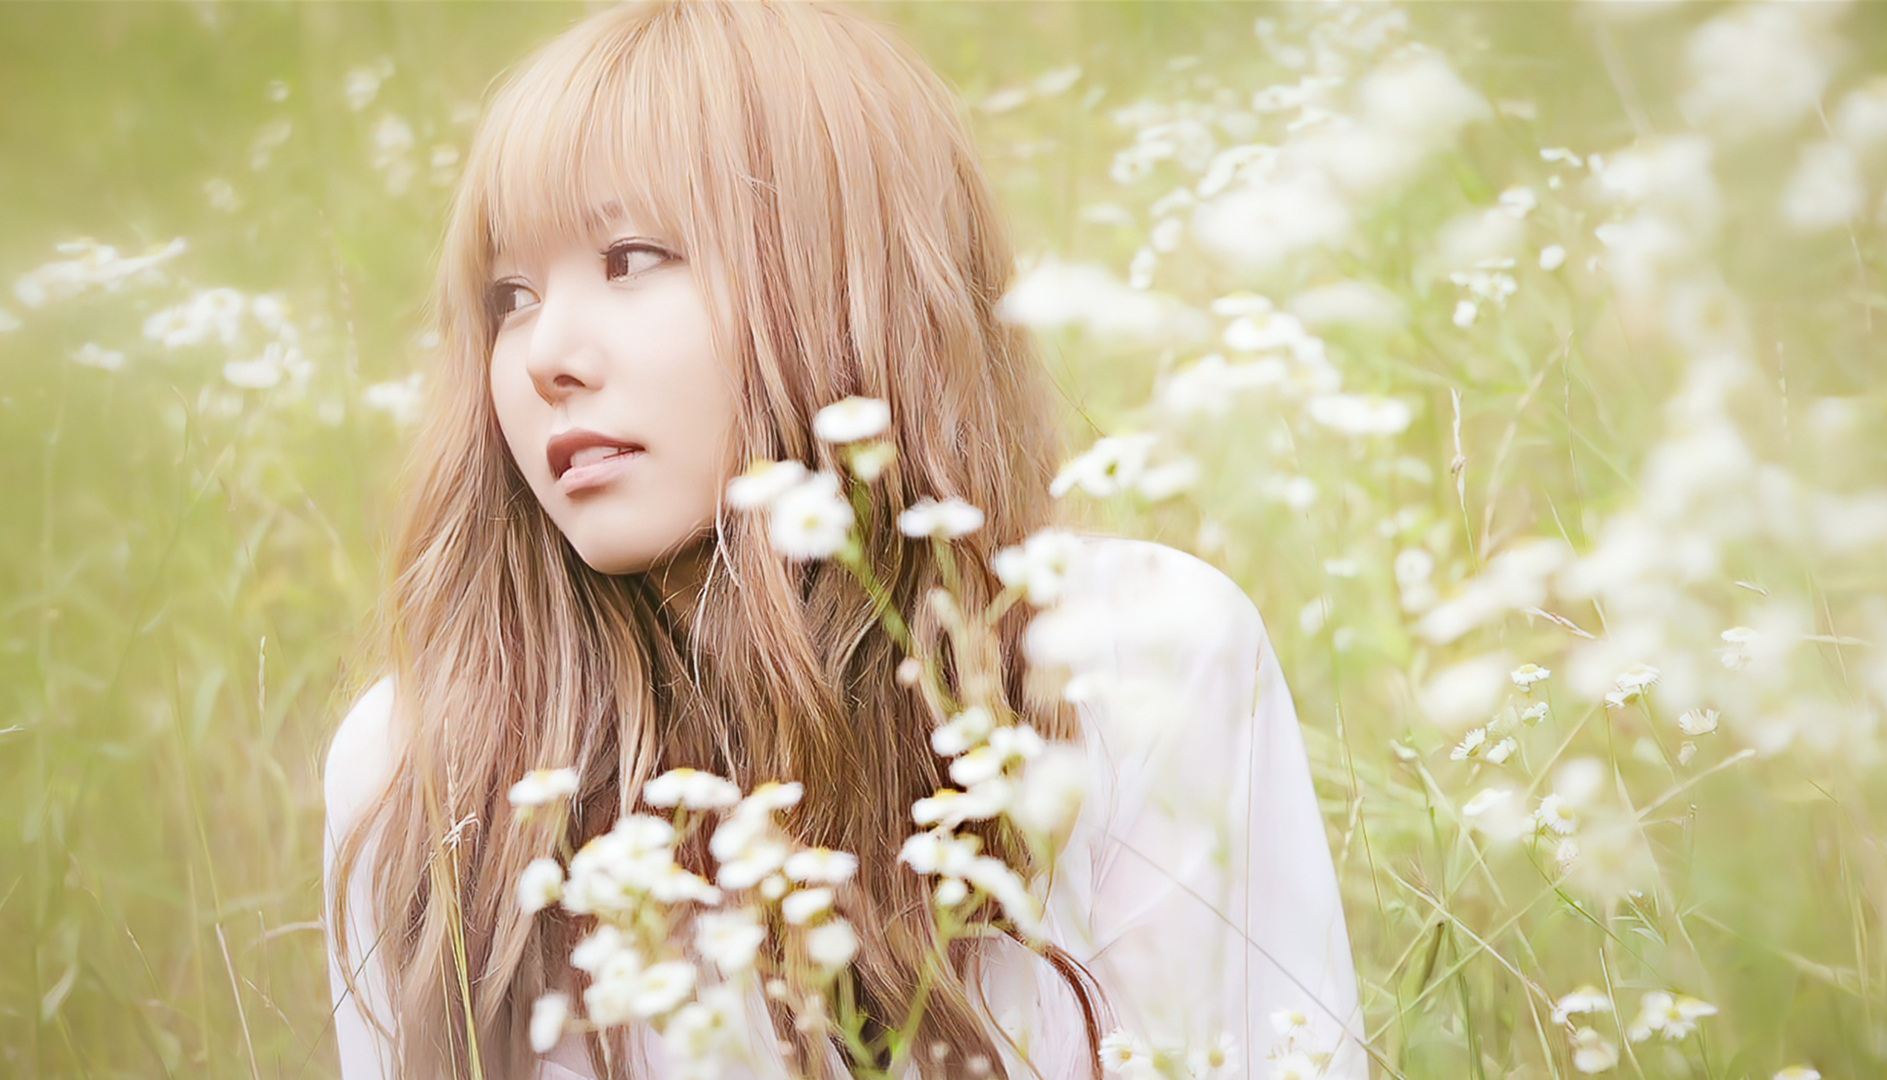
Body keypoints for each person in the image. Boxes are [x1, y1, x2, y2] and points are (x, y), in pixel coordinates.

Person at [320, 3, 1367, 1078]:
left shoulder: (1135, 658)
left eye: (630, 258)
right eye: (510, 296)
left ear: (840, 276)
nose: (546, 354)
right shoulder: (419, 766)